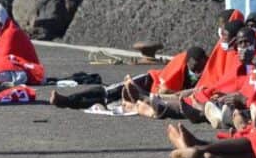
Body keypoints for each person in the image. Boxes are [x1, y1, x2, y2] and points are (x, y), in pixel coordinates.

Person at [50, 45, 208, 110]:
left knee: (113, 104)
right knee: (110, 91)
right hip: (150, 82)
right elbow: (164, 88)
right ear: (187, 63)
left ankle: (71, 104)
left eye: (199, 68)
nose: (196, 71)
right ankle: (68, 99)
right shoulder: (180, 61)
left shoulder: (208, 69)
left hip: (156, 97)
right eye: (193, 68)